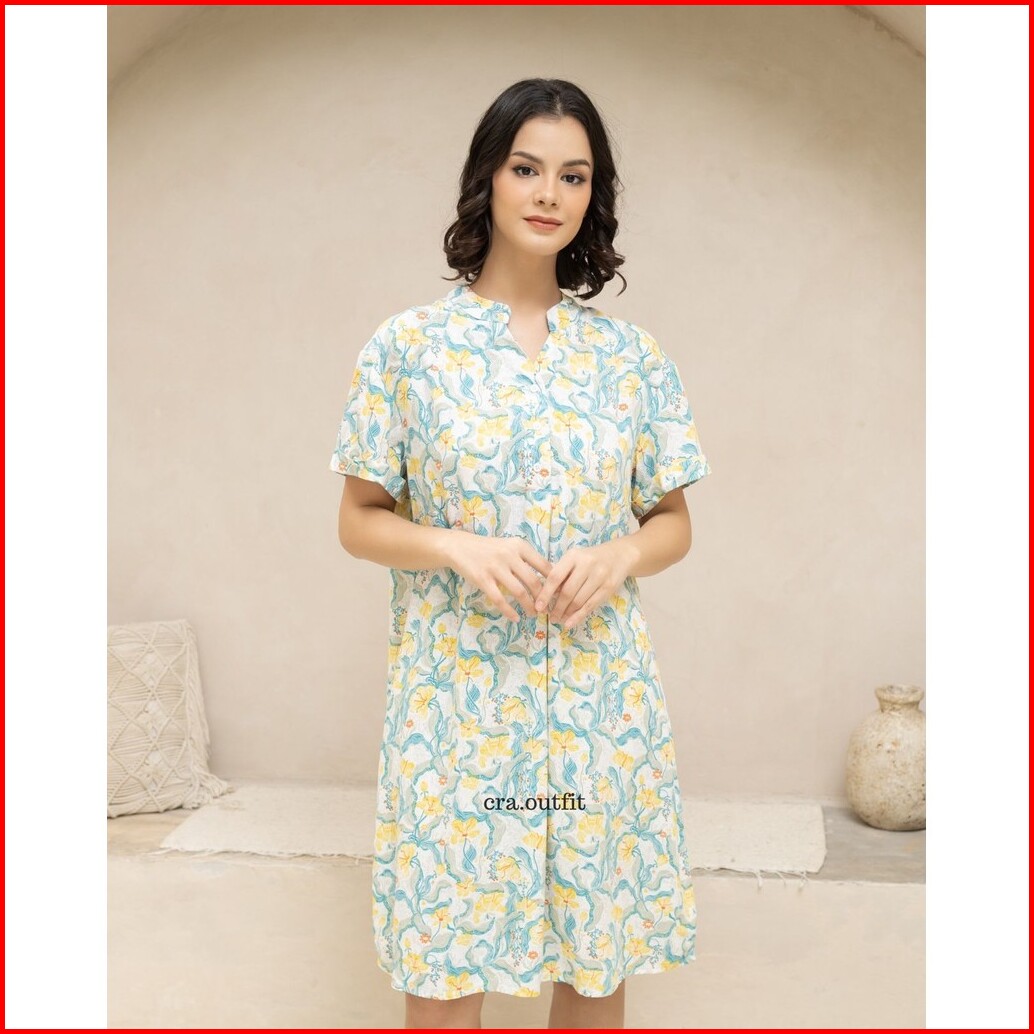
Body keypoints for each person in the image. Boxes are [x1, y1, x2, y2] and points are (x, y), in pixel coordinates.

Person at [329, 78, 711, 1030]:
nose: (549, 193)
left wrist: (622, 556)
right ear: (488, 180)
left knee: (594, 956)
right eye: (527, 168)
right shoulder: (409, 348)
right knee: (446, 955)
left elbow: (672, 523)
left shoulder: (632, 359)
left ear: (593, 195)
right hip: (455, 709)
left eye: (573, 176)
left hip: (599, 706)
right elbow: (358, 520)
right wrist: (450, 543)